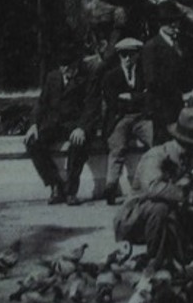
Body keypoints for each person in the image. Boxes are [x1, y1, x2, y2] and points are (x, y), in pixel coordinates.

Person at [114, 108, 193, 271]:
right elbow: (154, 188)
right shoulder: (156, 156)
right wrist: (187, 195)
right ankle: (157, 262)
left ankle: (190, 256)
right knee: (160, 208)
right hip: (135, 218)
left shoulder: (190, 159)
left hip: (169, 216)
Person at [87, 37, 152, 204]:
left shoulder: (144, 73)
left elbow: (150, 96)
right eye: (124, 55)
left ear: (137, 55)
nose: (128, 59)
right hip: (119, 118)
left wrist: (131, 97)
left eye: (131, 54)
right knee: (117, 147)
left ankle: (154, 181)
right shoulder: (111, 76)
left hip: (141, 117)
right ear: (119, 56)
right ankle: (111, 186)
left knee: (156, 140)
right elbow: (112, 101)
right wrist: (139, 97)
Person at [23, 57, 90, 204]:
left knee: (79, 145)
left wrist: (82, 128)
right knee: (32, 143)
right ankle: (55, 185)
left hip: (74, 124)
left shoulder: (85, 78)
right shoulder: (52, 77)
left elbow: (91, 106)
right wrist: (33, 124)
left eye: (70, 65)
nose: (66, 69)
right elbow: (41, 103)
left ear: (76, 64)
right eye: (63, 66)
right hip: (53, 124)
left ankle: (71, 191)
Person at [142, 4, 193, 140]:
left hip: (182, 107)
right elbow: (153, 82)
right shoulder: (152, 47)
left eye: (176, 21)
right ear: (161, 24)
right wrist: (180, 95)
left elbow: (188, 72)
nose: (174, 25)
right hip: (162, 108)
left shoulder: (182, 45)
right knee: (165, 147)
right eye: (169, 22)